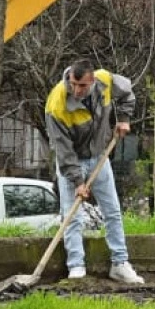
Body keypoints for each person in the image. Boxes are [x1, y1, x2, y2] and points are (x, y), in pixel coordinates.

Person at [45, 59, 144, 283]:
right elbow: (62, 149)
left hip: (99, 157)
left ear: (92, 81)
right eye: (74, 84)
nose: (77, 90)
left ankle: (120, 263)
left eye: (82, 86)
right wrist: (77, 181)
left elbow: (128, 94)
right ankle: (76, 267)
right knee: (72, 217)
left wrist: (124, 120)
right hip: (72, 161)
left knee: (112, 211)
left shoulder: (105, 81)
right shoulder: (57, 103)